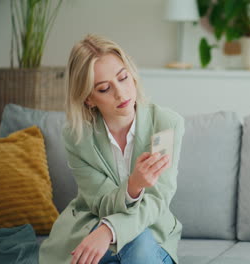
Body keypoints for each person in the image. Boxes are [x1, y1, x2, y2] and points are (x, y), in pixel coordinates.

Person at [39, 34, 184, 264]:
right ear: (89, 99)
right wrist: (133, 187)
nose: (121, 93)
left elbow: (157, 199)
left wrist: (110, 230)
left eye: (123, 77)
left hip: (151, 234)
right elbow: (100, 202)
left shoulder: (165, 125)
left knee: (137, 241)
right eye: (105, 88)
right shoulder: (77, 137)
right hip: (93, 225)